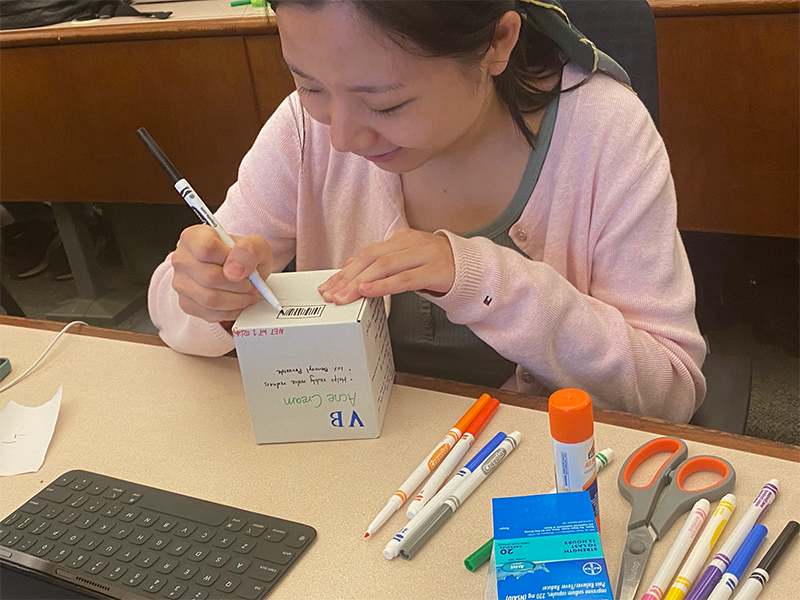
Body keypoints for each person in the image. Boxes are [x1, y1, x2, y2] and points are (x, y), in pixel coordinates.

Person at [148, 0, 707, 422]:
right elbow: (171, 311)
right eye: (308, 85)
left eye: (387, 103)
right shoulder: (304, 128)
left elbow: (669, 392)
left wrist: (483, 279)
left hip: (531, 474)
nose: (341, 137)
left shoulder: (603, 131)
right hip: (343, 462)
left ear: (498, 42)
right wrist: (211, 296)